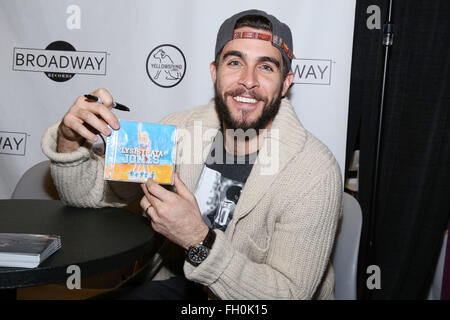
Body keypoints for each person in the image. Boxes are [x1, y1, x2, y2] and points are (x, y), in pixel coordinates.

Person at [41, 9, 342, 299]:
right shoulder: (181, 130)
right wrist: (69, 140)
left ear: (286, 83)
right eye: (235, 62)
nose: (248, 80)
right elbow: (85, 195)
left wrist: (198, 238)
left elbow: (289, 294)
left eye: (266, 67)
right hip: (178, 286)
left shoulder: (314, 171)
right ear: (215, 72)